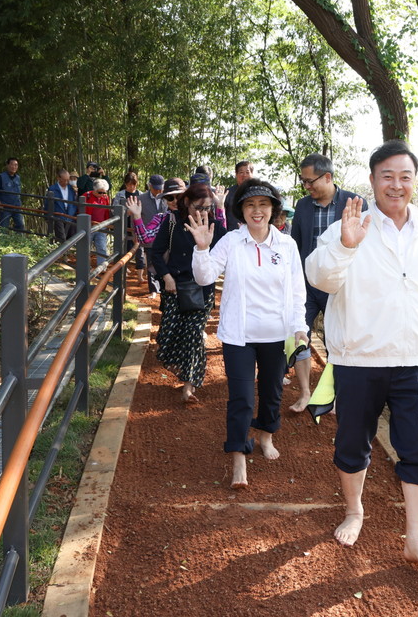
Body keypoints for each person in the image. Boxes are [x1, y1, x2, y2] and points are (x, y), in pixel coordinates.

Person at [305, 140, 418, 572]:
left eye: (405, 177)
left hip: (412, 361)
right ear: (371, 181)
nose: (396, 185)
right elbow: (319, 277)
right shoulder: (350, 226)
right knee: (353, 445)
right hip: (358, 360)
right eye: (387, 176)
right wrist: (346, 246)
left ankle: (415, 539)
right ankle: (355, 511)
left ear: (414, 182)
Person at [189, 179, 307, 489]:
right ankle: (239, 455)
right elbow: (205, 277)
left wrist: (300, 327)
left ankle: (265, 436)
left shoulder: (287, 245)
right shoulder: (231, 241)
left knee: (272, 393)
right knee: (240, 397)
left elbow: (297, 290)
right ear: (242, 210)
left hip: (277, 334)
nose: (257, 211)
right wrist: (202, 248)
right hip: (239, 336)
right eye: (250, 205)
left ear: (273, 210)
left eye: (263, 205)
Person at [288, 153, 364, 412]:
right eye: (304, 182)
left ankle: (332, 396)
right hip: (307, 285)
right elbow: (296, 246)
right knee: (298, 335)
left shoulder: (355, 203)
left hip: (339, 286)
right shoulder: (302, 206)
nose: (307, 187)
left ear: (328, 177)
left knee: (338, 341)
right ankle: (305, 393)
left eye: (310, 181)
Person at [150, 179, 226, 403]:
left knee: (193, 333)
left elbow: (229, 246)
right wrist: (166, 277)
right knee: (169, 335)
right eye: (198, 207)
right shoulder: (172, 221)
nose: (203, 212)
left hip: (201, 290)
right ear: (187, 203)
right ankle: (183, 368)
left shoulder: (215, 226)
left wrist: (220, 210)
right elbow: (156, 252)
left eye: (207, 207)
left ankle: (189, 386)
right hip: (175, 286)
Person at [125, 177, 186, 248]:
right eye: (170, 198)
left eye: (179, 197)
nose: (175, 201)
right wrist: (137, 215)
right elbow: (144, 238)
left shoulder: (194, 216)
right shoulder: (162, 218)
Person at [112, 172, 145, 280]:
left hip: (138, 227)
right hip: (124, 227)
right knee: (124, 249)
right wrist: (127, 212)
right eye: (130, 184)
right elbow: (114, 210)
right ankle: (123, 270)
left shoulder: (141, 195)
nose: (132, 187)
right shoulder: (120, 195)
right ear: (126, 184)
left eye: (134, 184)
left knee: (140, 251)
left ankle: (140, 275)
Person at [138, 174, 167, 296]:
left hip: (165, 236)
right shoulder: (141, 199)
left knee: (165, 262)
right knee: (151, 263)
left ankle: (164, 287)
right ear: (150, 186)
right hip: (149, 237)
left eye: (160, 188)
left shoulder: (168, 198)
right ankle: (154, 290)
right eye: (155, 188)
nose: (158, 191)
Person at [45, 168, 78, 243]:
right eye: (64, 180)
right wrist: (47, 215)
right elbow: (47, 203)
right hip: (58, 215)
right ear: (58, 178)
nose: (66, 182)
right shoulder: (52, 189)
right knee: (61, 238)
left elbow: (74, 201)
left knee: (71, 238)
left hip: (70, 215)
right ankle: (61, 254)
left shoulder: (71, 188)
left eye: (68, 180)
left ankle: (68, 254)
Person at [83, 178, 111, 265]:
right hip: (89, 226)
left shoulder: (105, 198)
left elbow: (107, 212)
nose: (102, 194)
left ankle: (102, 266)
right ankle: (85, 266)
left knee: (102, 247)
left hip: (102, 226)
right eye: (100, 192)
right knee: (86, 247)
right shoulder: (86, 196)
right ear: (94, 189)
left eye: (104, 192)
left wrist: (107, 224)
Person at [0, 157, 25, 232]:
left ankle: (19, 241)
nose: (14, 167)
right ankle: (2, 242)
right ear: (7, 165)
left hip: (17, 206)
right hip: (5, 206)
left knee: (20, 225)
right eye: (12, 164)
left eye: (16, 165)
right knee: (3, 227)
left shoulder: (18, 178)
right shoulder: (1, 176)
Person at [223, 160, 254, 228]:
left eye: (247, 172)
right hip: (232, 233)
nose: (244, 175)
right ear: (236, 175)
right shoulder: (227, 193)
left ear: (252, 174)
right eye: (241, 172)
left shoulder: (257, 192)